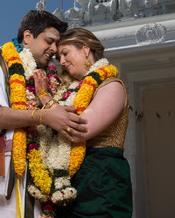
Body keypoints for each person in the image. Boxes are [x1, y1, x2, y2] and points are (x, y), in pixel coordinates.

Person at [0, 10, 87, 218]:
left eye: (57, 44)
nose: (54, 49)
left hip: (37, 182)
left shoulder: (51, 77)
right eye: (49, 41)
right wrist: (43, 116)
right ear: (27, 37)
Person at [31, 27, 133, 218]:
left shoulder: (111, 85)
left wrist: (45, 98)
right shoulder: (69, 92)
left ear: (85, 49)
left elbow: (79, 130)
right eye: (58, 57)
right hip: (72, 183)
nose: (61, 61)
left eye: (65, 53)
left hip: (102, 181)